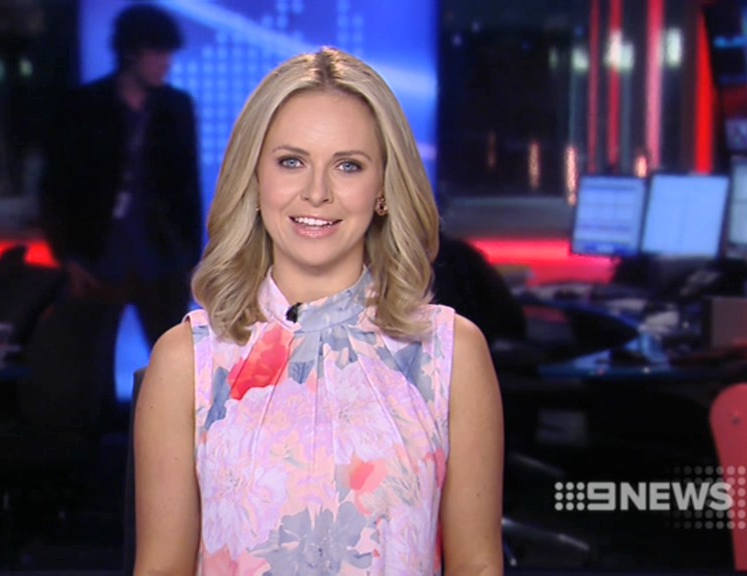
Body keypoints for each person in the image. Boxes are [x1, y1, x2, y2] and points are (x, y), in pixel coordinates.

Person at [134, 47, 504, 574]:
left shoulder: (450, 353)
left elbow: (478, 567)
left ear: (382, 188)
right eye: (291, 162)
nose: (316, 193)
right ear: (255, 179)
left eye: (348, 166)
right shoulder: (187, 361)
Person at [41, 3, 202, 352]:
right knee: (87, 364)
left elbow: (187, 190)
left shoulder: (177, 108)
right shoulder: (83, 107)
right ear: (131, 52)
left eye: (169, 54)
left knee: (174, 361)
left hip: (162, 259)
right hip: (97, 257)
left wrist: (192, 259)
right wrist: (68, 257)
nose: (166, 63)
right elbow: (57, 188)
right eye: (158, 53)